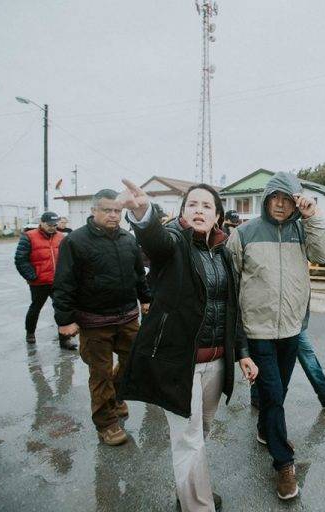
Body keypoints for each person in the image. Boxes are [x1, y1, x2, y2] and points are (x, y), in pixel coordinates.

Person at [118, 180, 258, 512]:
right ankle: (198, 505)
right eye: (192, 205)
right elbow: (155, 241)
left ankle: (192, 490)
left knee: (199, 433)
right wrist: (142, 212)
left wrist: (243, 354)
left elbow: (230, 309)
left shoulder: (222, 254)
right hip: (179, 363)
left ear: (218, 216)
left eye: (206, 206)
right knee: (189, 440)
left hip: (217, 361)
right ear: (182, 213)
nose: (198, 210)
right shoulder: (175, 244)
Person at [226, 172, 325, 500]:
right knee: (272, 395)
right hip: (257, 332)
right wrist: (239, 342)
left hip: (291, 328)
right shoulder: (243, 234)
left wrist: (312, 216)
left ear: (296, 203)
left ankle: (265, 429)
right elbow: (230, 287)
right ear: (266, 198)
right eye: (276, 197)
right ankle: (284, 464)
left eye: (288, 200)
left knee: (280, 390)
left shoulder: (303, 232)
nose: (280, 204)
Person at [52, 189, 152, 446]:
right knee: (101, 373)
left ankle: (116, 396)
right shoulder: (75, 241)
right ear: (93, 210)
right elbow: (63, 283)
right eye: (107, 210)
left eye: (117, 210)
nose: (113, 215)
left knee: (134, 363)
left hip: (128, 317)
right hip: (94, 322)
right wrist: (64, 320)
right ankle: (106, 423)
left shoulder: (128, 240)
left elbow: (138, 274)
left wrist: (146, 299)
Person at [250, 327, 325, 409]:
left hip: (294, 321)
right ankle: (258, 397)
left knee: (307, 353)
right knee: (266, 357)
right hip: (279, 320)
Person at [14, 212, 73, 348]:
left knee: (62, 310)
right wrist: (32, 276)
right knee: (35, 308)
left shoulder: (61, 237)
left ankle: (64, 338)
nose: (52, 227)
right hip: (39, 282)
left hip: (57, 281)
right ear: (42, 222)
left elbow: (67, 258)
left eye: (55, 225)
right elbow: (20, 259)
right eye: (49, 225)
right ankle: (30, 333)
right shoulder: (29, 236)